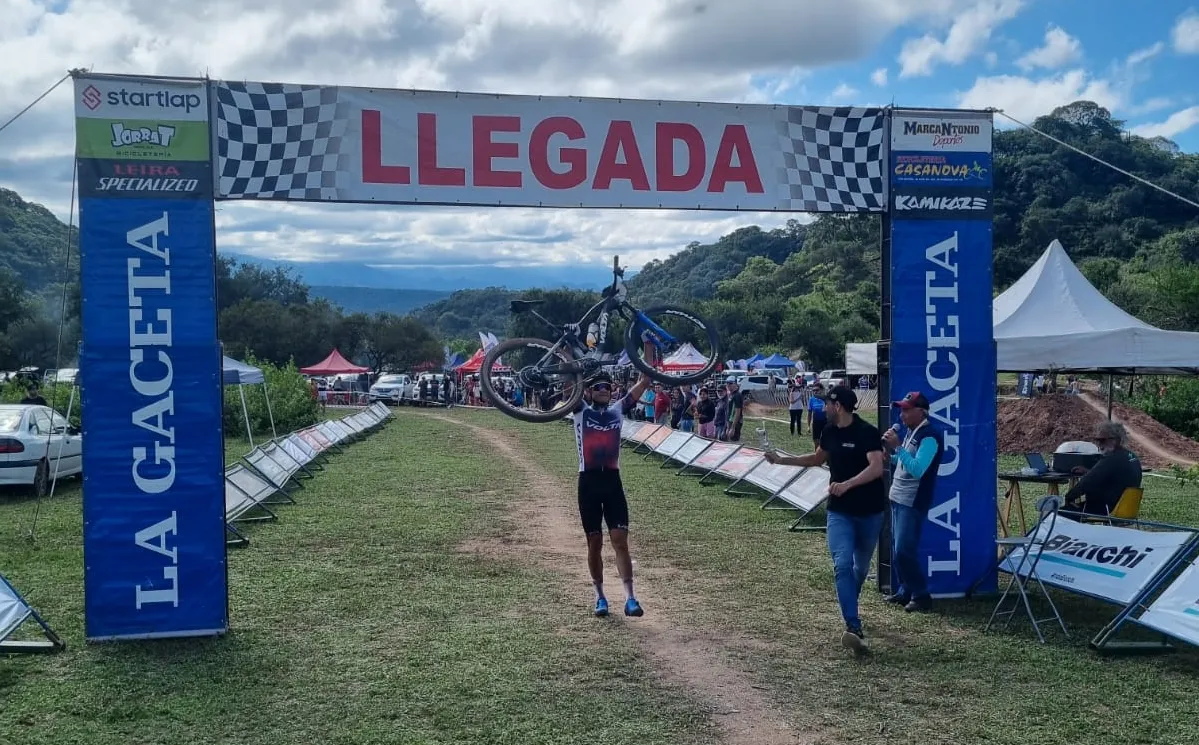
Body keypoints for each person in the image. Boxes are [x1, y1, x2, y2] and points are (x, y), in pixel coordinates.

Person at [763, 386, 886, 653]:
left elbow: (876, 468)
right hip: (839, 511)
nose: (822, 408)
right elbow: (817, 459)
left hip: (869, 511)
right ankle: (853, 626)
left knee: (860, 569)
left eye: (826, 404)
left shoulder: (867, 432)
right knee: (842, 565)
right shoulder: (828, 432)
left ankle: (850, 605)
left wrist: (847, 484)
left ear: (838, 406)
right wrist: (780, 460)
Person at [571, 371, 651, 618]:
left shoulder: (618, 409)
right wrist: (567, 357)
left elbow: (644, 382)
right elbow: (568, 385)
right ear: (588, 391)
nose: (603, 390)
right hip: (589, 483)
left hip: (612, 482)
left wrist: (645, 343)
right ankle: (600, 597)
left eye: (606, 386)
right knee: (594, 543)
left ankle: (630, 598)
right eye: (597, 387)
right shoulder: (580, 410)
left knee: (620, 541)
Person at [881, 392, 944, 613]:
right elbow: (907, 463)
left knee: (904, 551)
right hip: (898, 497)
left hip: (912, 500)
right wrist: (893, 457)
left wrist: (897, 448)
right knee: (898, 547)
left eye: (907, 409)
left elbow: (918, 469)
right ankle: (905, 590)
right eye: (902, 409)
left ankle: (921, 595)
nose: (902, 413)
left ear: (921, 411)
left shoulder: (930, 436)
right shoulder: (911, 431)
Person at [1063, 421, 1142, 516]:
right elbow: (1113, 476)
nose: (1099, 444)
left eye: (1102, 440)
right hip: (1125, 508)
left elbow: (1088, 482)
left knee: (1058, 513)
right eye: (1097, 440)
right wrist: (1089, 471)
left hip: (1105, 508)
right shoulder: (1131, 456)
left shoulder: (1111, 458)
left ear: (1116, 440)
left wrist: (1068, 497)